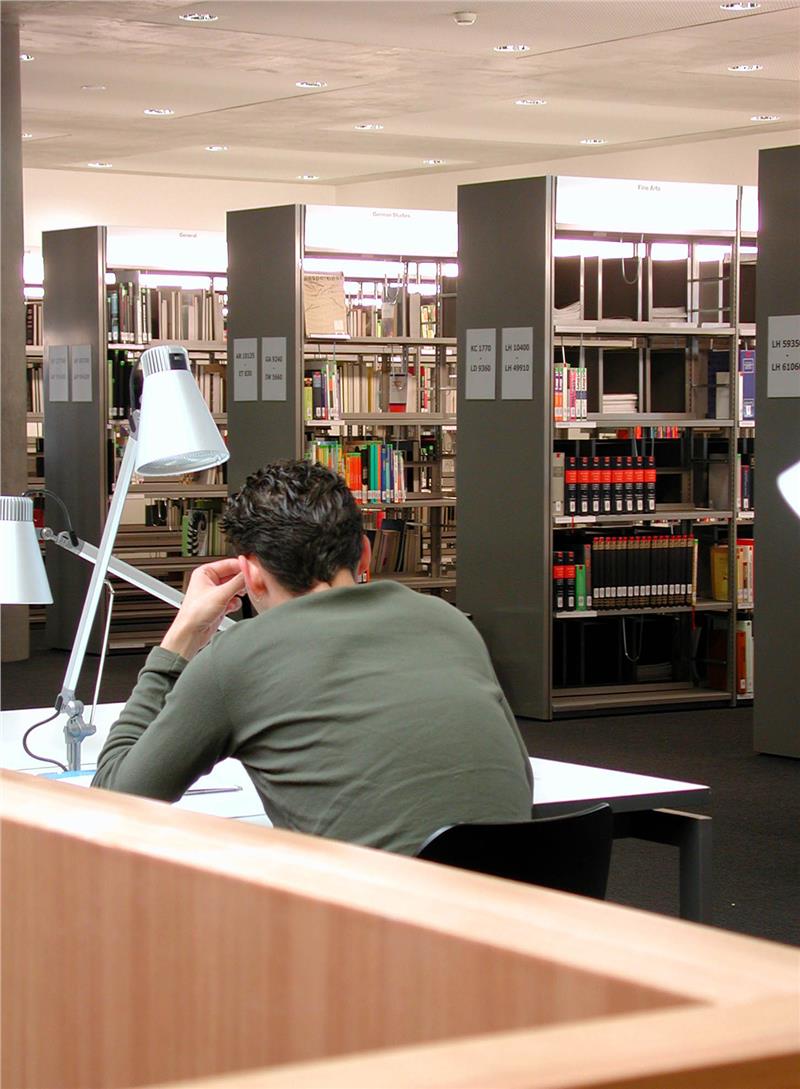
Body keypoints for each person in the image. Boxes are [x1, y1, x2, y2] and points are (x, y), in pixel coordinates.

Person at [92, 460, 533, 855]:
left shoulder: (237, 658)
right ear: (364, 553)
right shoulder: (449, 622)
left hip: (372, 914)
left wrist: (182, 636)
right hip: (522, 903)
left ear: (251, 575)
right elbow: (519, 783)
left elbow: (113, 802)